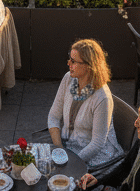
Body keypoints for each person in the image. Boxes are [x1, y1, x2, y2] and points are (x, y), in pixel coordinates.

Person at [47, 40, 125, 176]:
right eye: (69, 59)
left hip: (91, 153)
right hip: (67, 145)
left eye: (73, 61)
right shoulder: (68, 79)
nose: (68, 63)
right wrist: (59, 149)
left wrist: (70, 162)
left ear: (89, 66)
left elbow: (97, 143)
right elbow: (53, 116)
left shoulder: (102, 97)